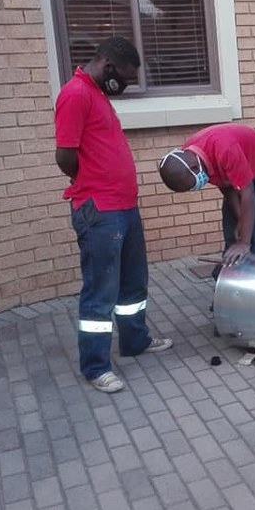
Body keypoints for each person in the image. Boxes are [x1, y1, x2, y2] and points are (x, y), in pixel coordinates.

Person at [54, 36, 172, 394]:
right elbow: (65, 155)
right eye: (124, 76)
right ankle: (96, 367)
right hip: (100, 210)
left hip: (123, 206)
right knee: (101, 290)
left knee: (133, 282)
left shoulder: (97, 94)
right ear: (107, 66)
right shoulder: (75, 94)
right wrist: (90, 181)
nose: (125, 84)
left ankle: (135, 340)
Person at [158, 124, 255, 266]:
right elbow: (226, 187)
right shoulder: (192, 158)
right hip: (239, 169)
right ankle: (233, 275)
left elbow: (247, 194)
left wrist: (244, 242)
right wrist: (240, 220)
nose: (196, 187)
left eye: (193, 185)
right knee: (233, 235)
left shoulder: (225, 149)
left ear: (194, 167)